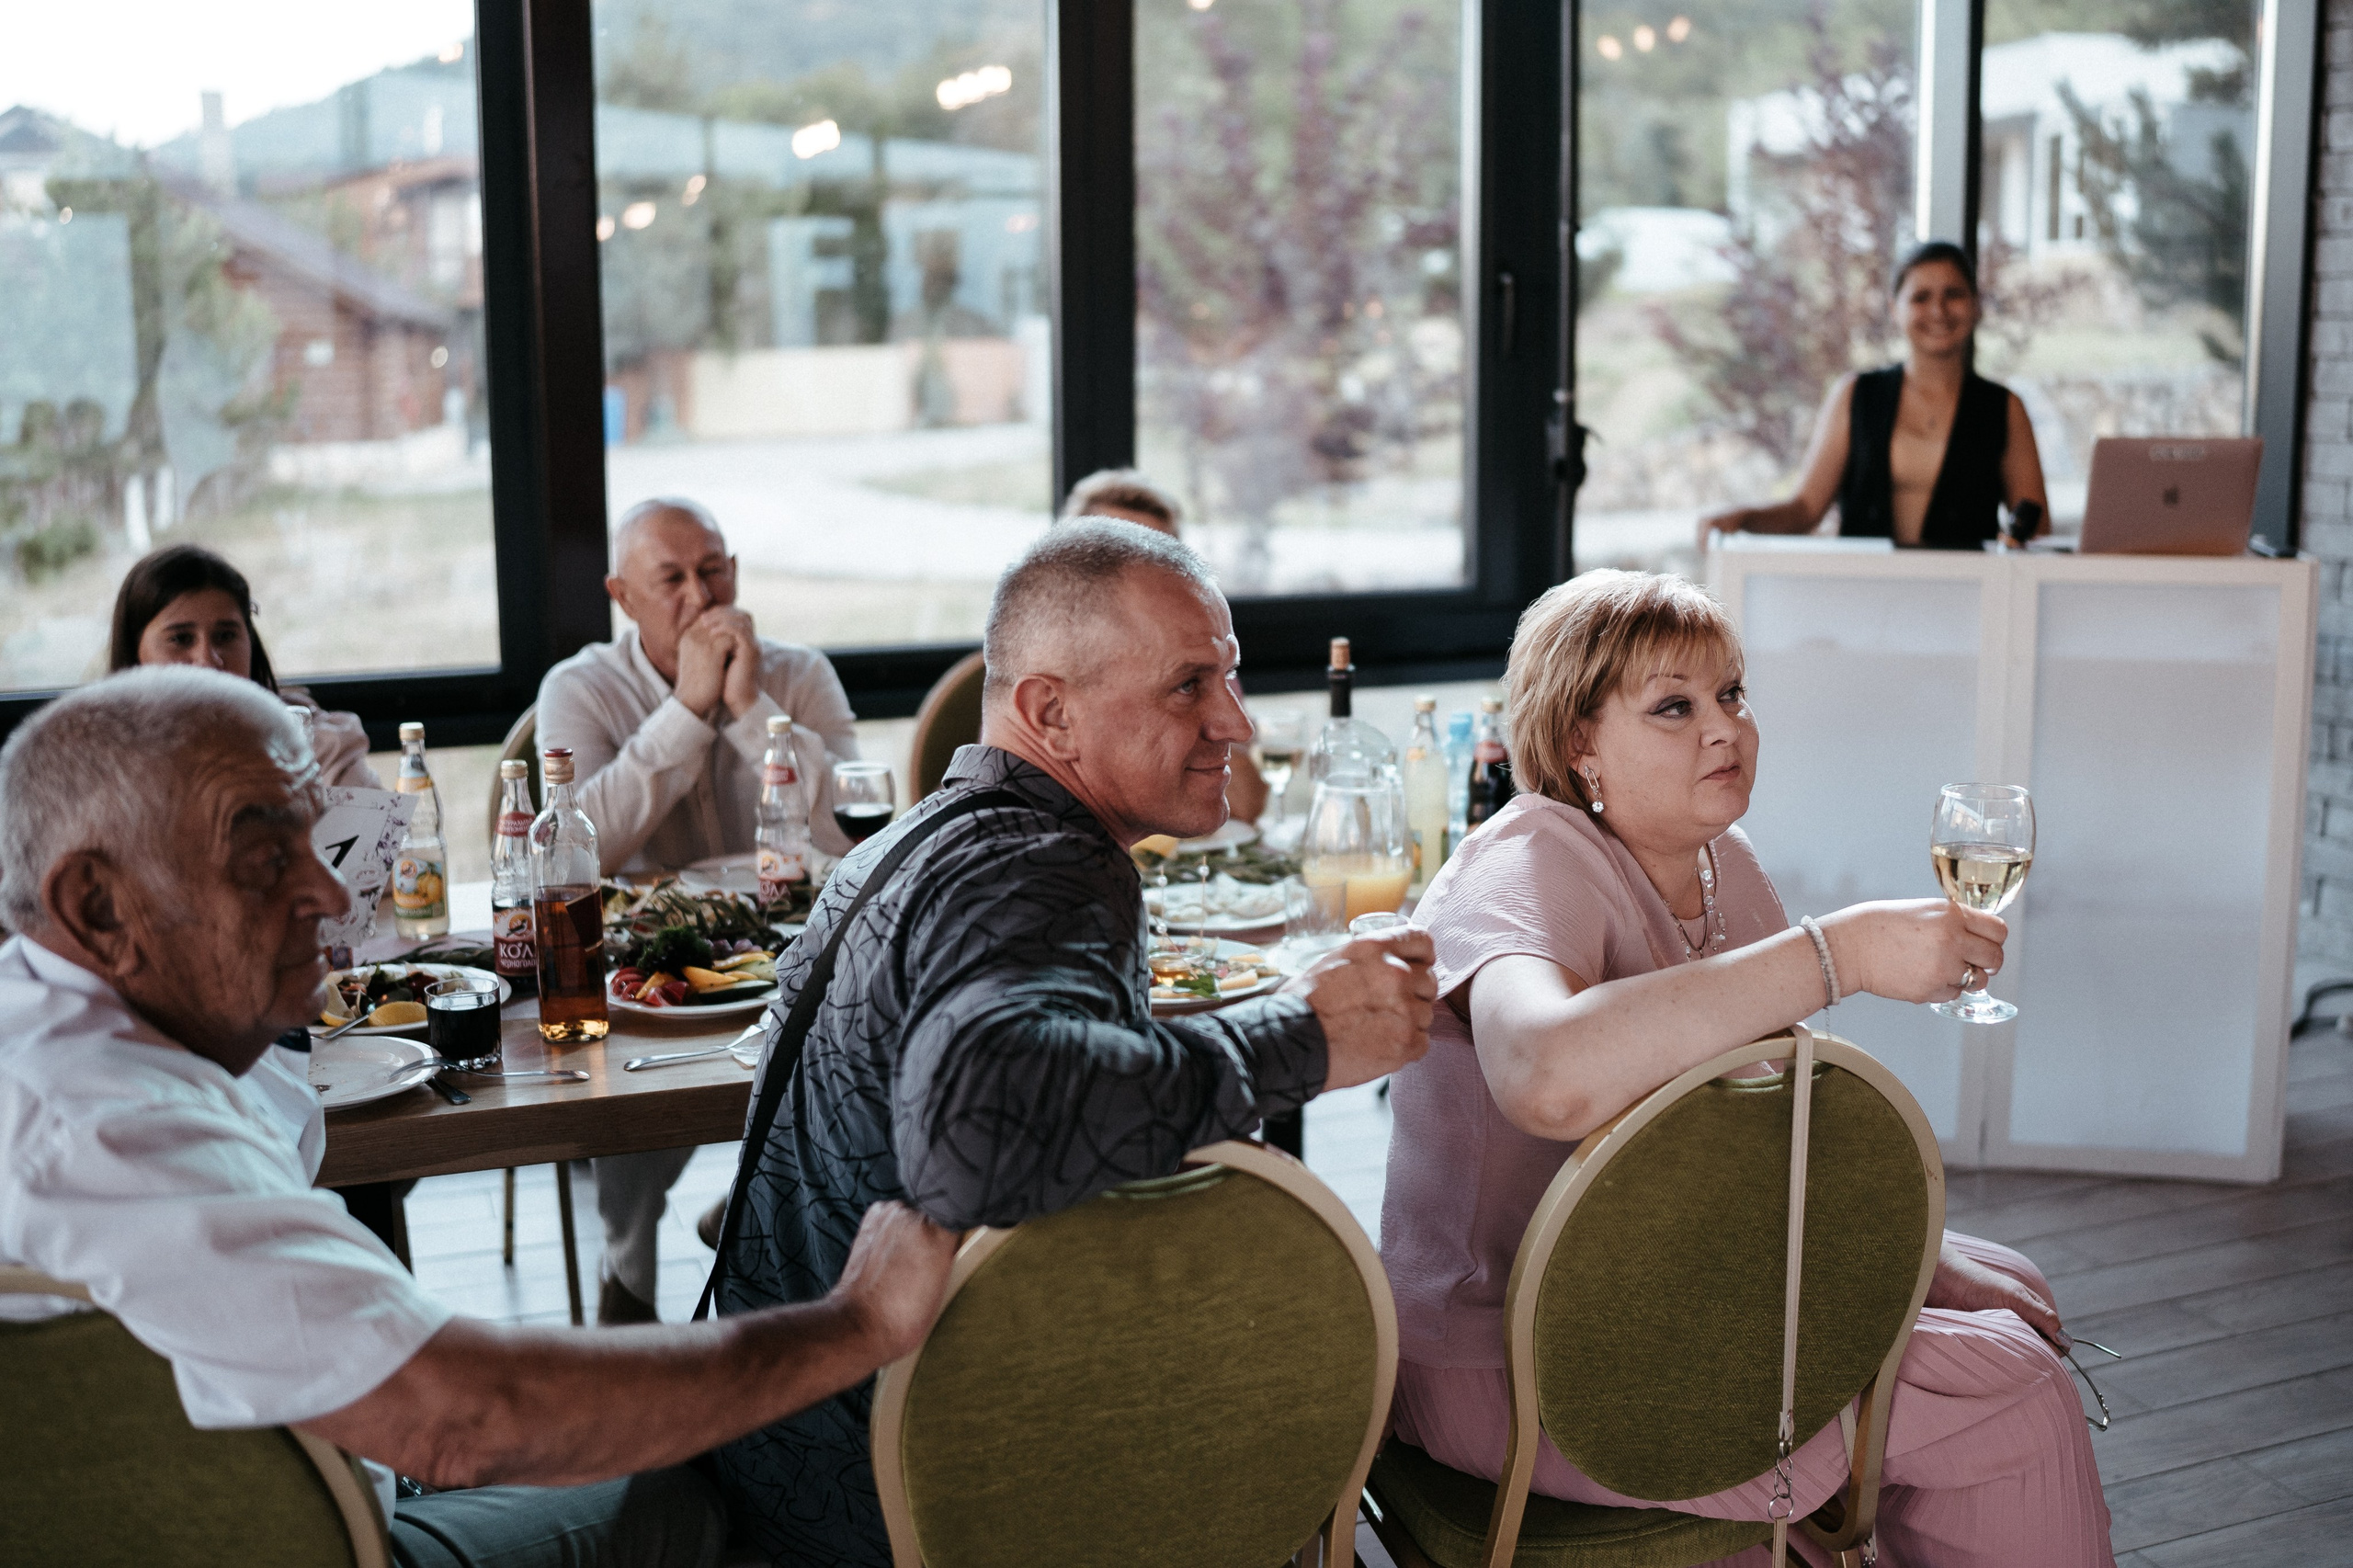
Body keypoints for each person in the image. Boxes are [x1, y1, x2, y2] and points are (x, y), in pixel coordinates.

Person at [0, 667, 961, 1568]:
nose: (330, 893)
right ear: (95, 903)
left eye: (316, 838)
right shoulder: (105, 1130)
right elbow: (464, 1420)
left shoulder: (66, 1028)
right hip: (318, 1538)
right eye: (263, 860)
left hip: (290, 1474)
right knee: (723, 1481)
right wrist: (856, 1320)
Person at [711, 520, 1438, 1565]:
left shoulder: (932, 831)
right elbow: (979, 1126)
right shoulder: (1046, 866)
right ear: (1050, 711)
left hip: (785, 1450)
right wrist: (1305, 1032)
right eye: (1188, 685)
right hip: (893, 1497)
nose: (1233, 720)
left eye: (1229, 677)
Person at [1380, 570, 2112, 1567]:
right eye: (1674, 706)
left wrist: (1921, 1263)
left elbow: (1765, 1139)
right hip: (1515, 1356)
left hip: (1655, 1297)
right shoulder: (1526, 857)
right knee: (2008, 1389)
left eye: (1732, 694)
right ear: (1577, 743)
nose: (1723, 728)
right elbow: (1545, 1074)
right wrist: (1839, 953)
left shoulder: (1726, 865)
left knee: (2004, 1284)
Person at [539, 496, 861, 1324]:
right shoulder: (579, 687)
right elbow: (584, 847)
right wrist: (685, 711)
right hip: (645, 952)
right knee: (635, 1059)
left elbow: (844, 832)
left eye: (714, 570)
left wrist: (754, 712)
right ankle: (630, 1273)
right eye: (672, 578)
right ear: (622, 595)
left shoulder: (798, 673)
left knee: (853, 1031)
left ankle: (762, 1214)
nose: (701, 593)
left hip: (786, 937)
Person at [1699, 241, 2051, 551]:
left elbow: (2036, 531)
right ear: (1894, 308)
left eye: (1954, 295)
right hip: (1864, 595)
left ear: (1975, 306)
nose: (1938, 311)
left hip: (1966, 600)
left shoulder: (2004, 408)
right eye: (1920, 297)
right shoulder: (1855, 395)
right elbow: (1805, 510)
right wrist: (1741, 517)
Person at [1060, 469, 1269, 824]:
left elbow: (1245, 808)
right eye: (1118, 558)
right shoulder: (1045, 666)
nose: (1142, 576)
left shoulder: (1202, 664)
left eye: (1159, 558)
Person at [108, 543, 380, 789]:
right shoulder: (100, 767)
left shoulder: (317, 746)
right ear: (135, 654)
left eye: (225, 636)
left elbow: (377, 841)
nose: (208, 661)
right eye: (181, 639)